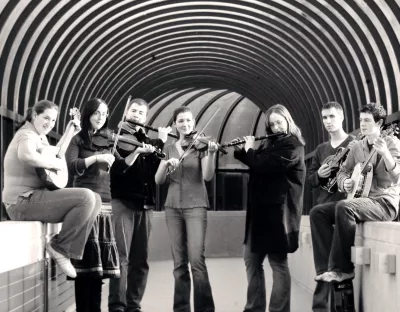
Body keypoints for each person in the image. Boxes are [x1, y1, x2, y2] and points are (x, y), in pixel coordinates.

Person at [2, 100, 101, 279]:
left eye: (53, 120)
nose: (49, 123)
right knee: (86, 197)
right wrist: (52, 163)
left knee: (96, 199)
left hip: (33, 198)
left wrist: (70, 133)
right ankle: (60, 247)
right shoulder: (27, 134)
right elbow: (26, 155)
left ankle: (68, 252)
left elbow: (55, 153)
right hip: (21, 202)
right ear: (34, 115)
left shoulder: (39, 136)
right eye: (46, 118)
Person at [310, 102, 400, 285]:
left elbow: (398, 177)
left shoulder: (391, 142)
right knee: (317, 213)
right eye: (361, 120)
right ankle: (326, 268)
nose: (363, 124)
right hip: (362, 201)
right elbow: (343, 171)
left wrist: (386, 155)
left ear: (379, 124)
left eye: (367, 120)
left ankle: (343, 270)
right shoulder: (357, 146)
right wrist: (345, 183)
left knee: (345, 207)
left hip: (385, 203)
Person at [233, 104, 306, 312]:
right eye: (272, 124)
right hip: (259, 214)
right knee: (251, 260)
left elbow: (265, 165)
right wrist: (242, 151)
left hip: (278, 214)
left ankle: (278, 310)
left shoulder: (293, 145)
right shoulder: (270, 145)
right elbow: (258, 160)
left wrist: (248, 151)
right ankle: (254, 308)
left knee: (278, 263)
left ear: (288, 121)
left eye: (279, 122)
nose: (275, 127)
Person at [108, 98, 171, 312]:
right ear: (127, 113)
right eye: (133, 111)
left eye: (141, 113)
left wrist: (160, 143)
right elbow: (117, 169)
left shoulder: (150, 142)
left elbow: (154, 174)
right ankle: (117, 306)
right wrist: (137, 153)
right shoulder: (115, 139)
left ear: (146, 118)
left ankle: (133, 305)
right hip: (123, 202)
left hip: (146, 204)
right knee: (122, 257)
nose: (136, 115)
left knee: (141, 259)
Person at [155, 106, 218, 312]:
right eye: (181, 121)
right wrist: (165, 165)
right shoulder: (169, 148)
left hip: (196, 206)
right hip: (172, 207)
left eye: (189, 120)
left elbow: (208, 176)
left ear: (194, 122)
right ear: (175, 124)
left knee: (196, 261)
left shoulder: (201, 145)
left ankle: (205, 309)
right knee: (179, 263)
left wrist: (211, 152)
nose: (185, 124)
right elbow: (158, 180)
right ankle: (181, 309)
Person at [65, 98, 122, 312]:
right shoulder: (77, 139)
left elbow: (121, 168)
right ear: (89, 113)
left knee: (98, 271)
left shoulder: (109, 140)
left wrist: (136, 153)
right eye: (97, 112)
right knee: (84, 268)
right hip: (84, 203)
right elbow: (71, 165)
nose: (101, 117)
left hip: (105, 205)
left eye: (105, 113)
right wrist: (96, 157)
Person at [308, 101, 355, 312]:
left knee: (333, 261)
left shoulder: (355, 143)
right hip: (322, 210)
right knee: (326, 262)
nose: (328, 121)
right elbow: (309, 180)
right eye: (324, 117)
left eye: (332, 117)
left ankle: (324, 306)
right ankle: (326, 306)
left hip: (344, 209)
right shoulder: (320, 150)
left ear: (342, 117)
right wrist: (318, 175)